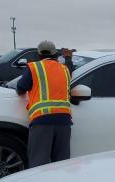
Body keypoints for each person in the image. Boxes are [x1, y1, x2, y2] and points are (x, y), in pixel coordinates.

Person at [16, 40, 72, 168]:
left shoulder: (35, 67)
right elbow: (70, 68)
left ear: (39, 54)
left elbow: (20, 89)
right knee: (62, 163)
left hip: (42, 121)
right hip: (64, 121)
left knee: (39, 162)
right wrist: (68, 58)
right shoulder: (65, 69)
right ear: (55, 55)